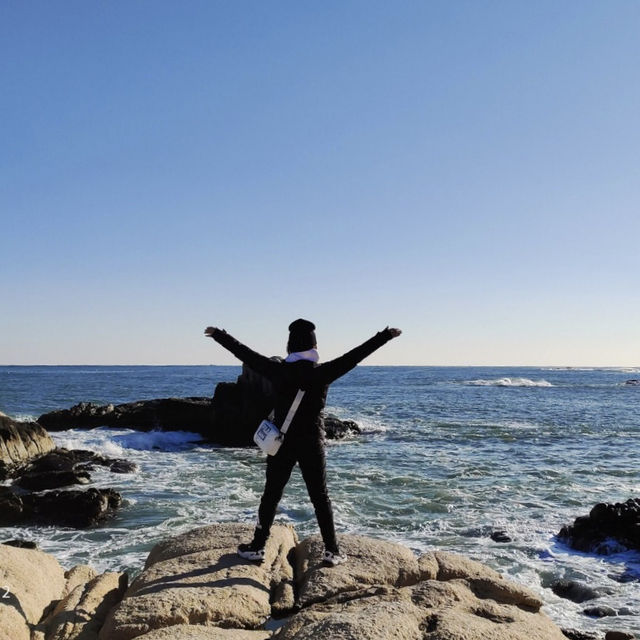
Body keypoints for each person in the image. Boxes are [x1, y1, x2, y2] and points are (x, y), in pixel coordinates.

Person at [204, 319, 402, 566]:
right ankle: (332, 551)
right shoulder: (322, 372)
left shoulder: (278, 370)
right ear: (314, 345)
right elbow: (355, 356)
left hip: (282, 441)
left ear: (289, 346)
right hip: (312, 443)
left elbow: (246, 354)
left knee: (271, 495)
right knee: (320, 497)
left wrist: (219, 335)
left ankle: (257, 546)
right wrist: (384, 336)